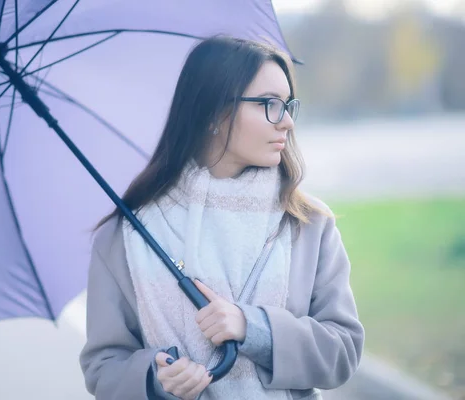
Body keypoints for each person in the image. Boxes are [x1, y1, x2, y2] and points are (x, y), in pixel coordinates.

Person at [79, 35, 364, 400]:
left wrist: (254, 327)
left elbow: (342, 350)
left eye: (288, 105)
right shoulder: (126, 236)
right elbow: (103, 367)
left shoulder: (308, 226)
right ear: (214, 111)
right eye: (269, 104)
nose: (287, 123)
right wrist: (155, 380)